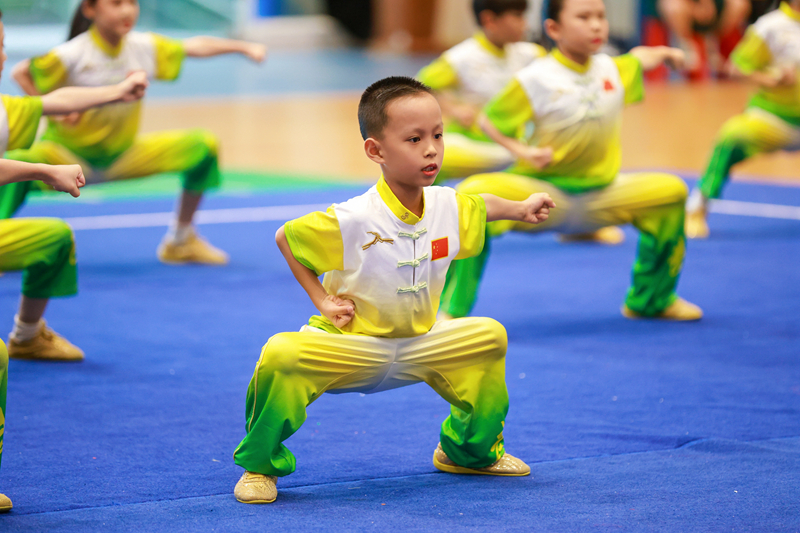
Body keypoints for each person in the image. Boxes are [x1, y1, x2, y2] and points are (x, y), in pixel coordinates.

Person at [231, 76, 556, 504]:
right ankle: (260, 466)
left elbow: (482, 206)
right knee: (282, 354)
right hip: (354, 347)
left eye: (438, 135)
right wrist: (322, 300)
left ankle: (468, 452)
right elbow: (287, 239)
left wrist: (519, 209)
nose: (431, 149)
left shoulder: (446, 204)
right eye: (415, 138)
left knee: (488, 337)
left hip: (422, 343)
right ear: (375, 151)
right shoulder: (352, 219)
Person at [438, 0, 704, 321]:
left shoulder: (612, 68)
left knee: (670, 192)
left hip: (603, 193)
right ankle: (449, 312)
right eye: (583, 17)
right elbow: (489, 122)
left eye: (601, 17)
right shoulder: (534, 78)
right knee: (472, 196)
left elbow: (639, 58)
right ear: (554, 28)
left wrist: (665, 53)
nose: (596, 25)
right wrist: (523, 152)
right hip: (545, 196)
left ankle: (651, 300)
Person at [7, 0, 267, 264]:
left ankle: (180, 240)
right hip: (67, 159)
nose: (127, 11)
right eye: (116, 3)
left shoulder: (143, 47)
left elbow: (193, 46)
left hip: (123, 156)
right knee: (18, 161)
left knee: (202, 146)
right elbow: (21, 73)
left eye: (132, 2)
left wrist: (242, 47)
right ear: (90, 9)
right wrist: (59, 113)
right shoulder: (72, 54)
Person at [686, 0, 800, 239]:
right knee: (732, 136)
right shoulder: (770, 27)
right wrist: (772, 80)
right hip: (774, 118)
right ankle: (698, 206)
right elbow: (736, 67)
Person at [417, 0, 545, 182]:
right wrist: (454, 109)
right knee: (424, 157)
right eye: (517, 16)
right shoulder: (461, 58)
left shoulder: (531, 54)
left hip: (516, 144)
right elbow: (418, 87)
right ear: (489, 19)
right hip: (474, 144)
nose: (525, 23)